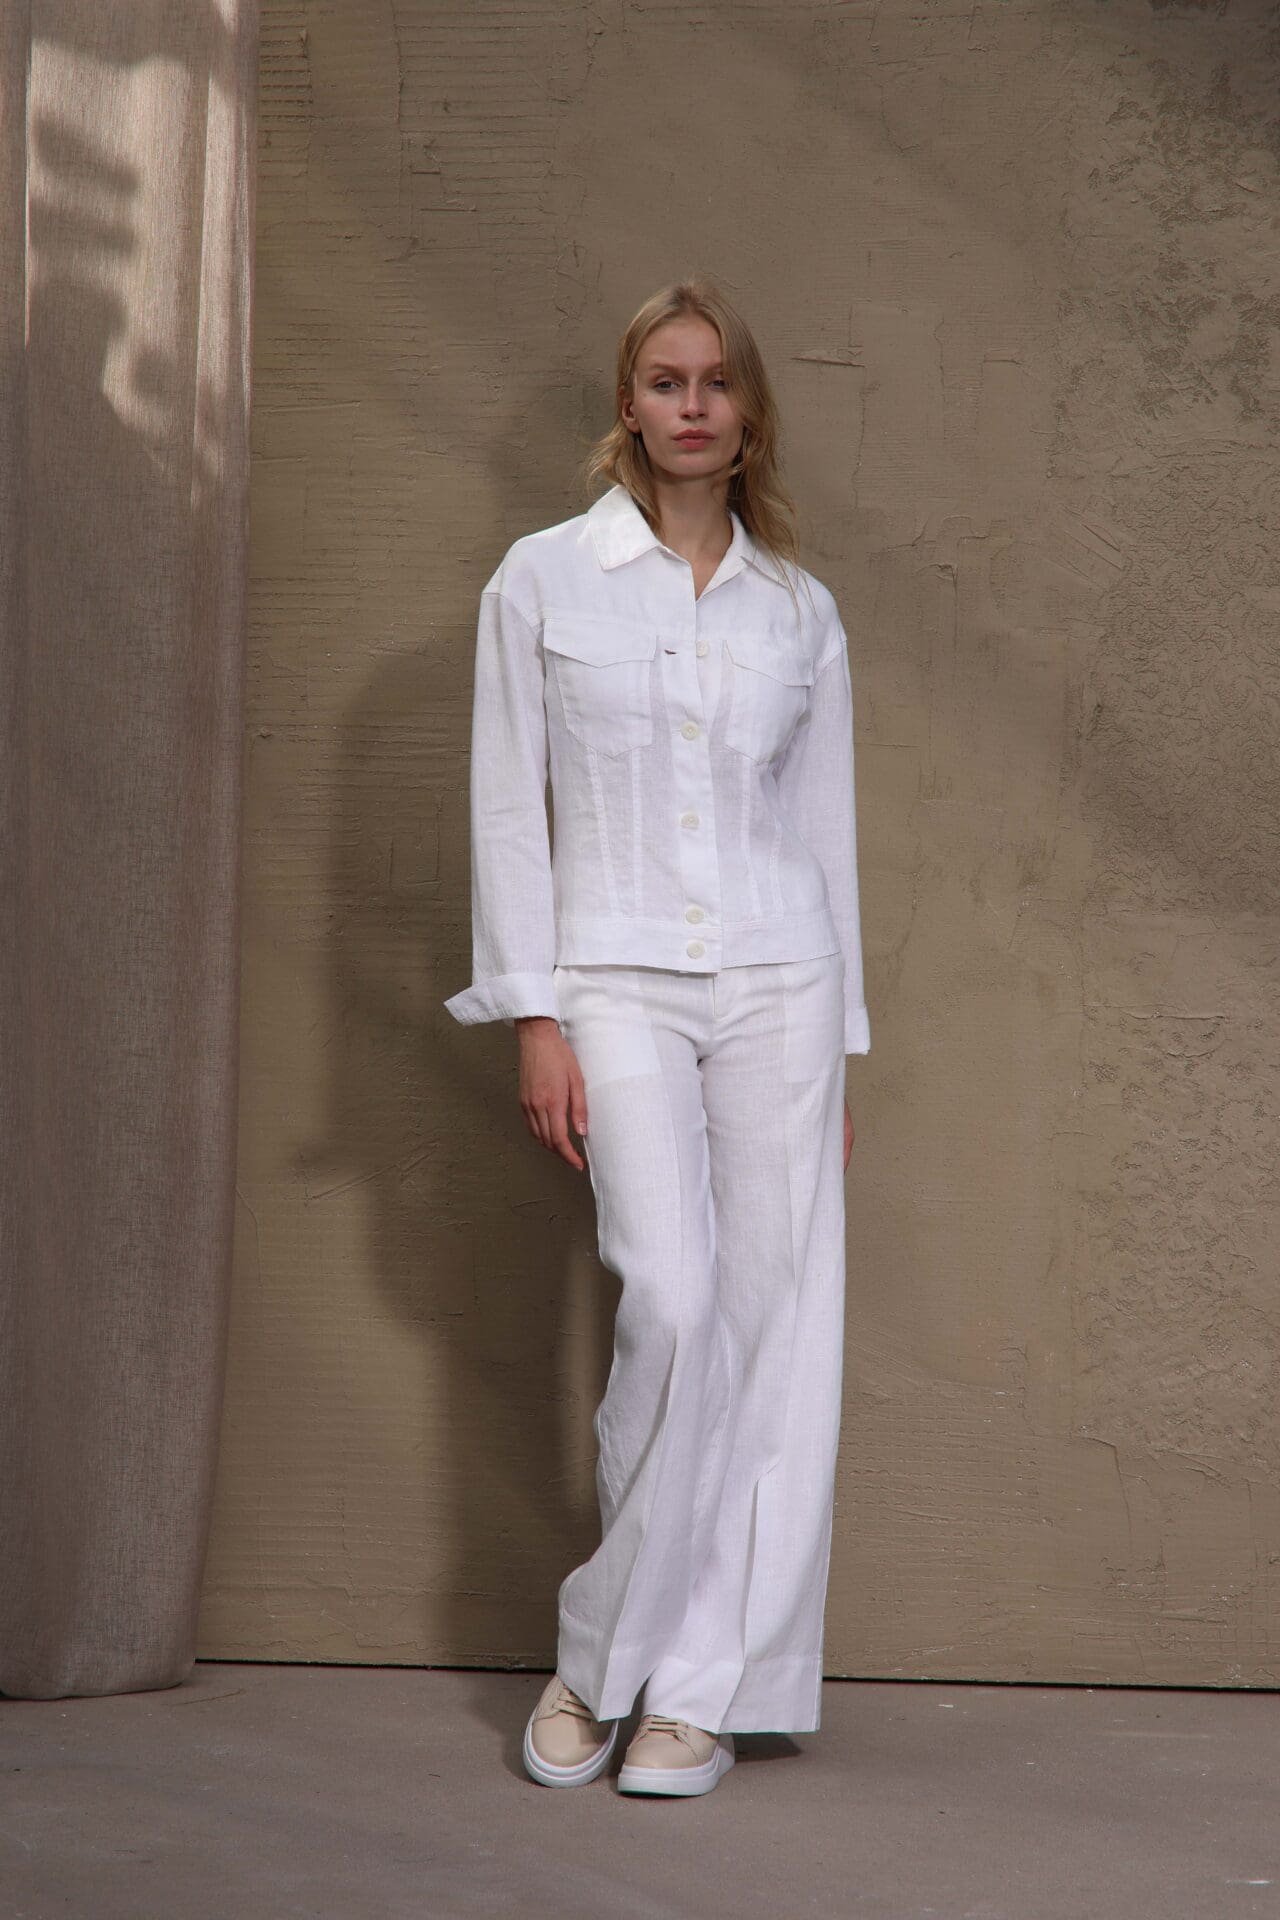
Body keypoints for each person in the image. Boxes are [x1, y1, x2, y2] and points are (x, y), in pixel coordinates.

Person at [443, 275, 871, 1798]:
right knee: (676, 1304)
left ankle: (702, 1691)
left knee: (773, 1327)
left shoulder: (797, 609)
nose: (694, 406)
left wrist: (840, 1056)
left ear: (750, 412)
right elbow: (511, 806)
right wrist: (535, 1013)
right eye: (666, 380)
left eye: (717, 382)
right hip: (614, 977)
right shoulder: (544, 579)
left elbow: (823, 836)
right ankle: (599, 1659)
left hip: (781, 986)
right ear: (629, 404)